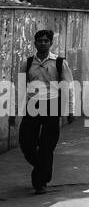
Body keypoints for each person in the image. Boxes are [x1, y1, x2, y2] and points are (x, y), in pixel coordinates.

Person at [17, 29, 75, 195]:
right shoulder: (27, 63)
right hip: (33, 105)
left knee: (46, 146)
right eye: (39, 40)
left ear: (51, 43)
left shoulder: (59, 62)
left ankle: (40, 182)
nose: (42, 43)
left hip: (52, 105)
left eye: (46, 41)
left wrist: (70, 110)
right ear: (34, 43)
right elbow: (20, 88)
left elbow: (68, 88)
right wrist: (15, 111)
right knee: (26, 142)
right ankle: (42, 167)